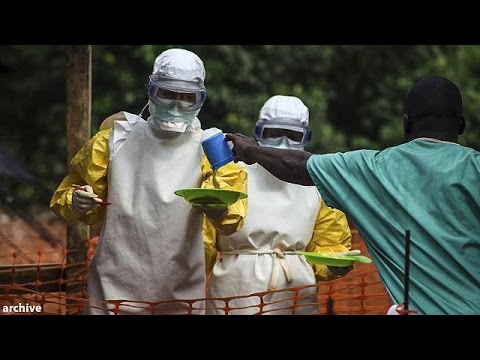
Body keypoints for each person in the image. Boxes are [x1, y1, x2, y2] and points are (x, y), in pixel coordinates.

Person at [225, 76, 480, 315]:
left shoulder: (373, 170)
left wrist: (251, 150)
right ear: (461, 124)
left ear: (406, 123)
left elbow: (296, 165)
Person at [50, 48, 248, 314]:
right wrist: (77, 200)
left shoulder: (210, 148)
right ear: (152, 90)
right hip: (111, 290)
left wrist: (220, 209)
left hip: (180, 294)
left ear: (201, 99)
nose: (176, 105)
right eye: (167, 94)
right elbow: (70, 196)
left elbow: (232, 220)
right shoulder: (115, 139)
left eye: (187, 98)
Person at [204, 95, 353, 315]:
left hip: (295, 292)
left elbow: (330, 242)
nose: (283, 142)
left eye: (293, 135)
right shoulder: (234, 172)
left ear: (306, 137)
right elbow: (203, 241)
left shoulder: (316, 185)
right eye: (273, 133)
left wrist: (335, 262)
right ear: (258, 133)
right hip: (236, 289)